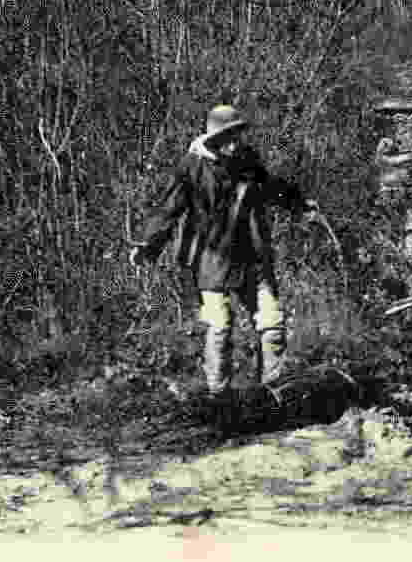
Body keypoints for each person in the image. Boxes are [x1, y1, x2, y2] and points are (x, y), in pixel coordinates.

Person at [133, 104, 318, 395]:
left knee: (272, 323)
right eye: (226, 139)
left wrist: (299, 204)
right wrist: (149, 244)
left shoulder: (248, 162)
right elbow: (169, 208)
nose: (233, 144)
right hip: (212, 259)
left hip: (251, 257)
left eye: (236, 136)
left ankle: (273, 391)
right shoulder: (192, 167)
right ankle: (218, 397)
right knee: (219, 327)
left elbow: (271, 187)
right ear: (212, 140)